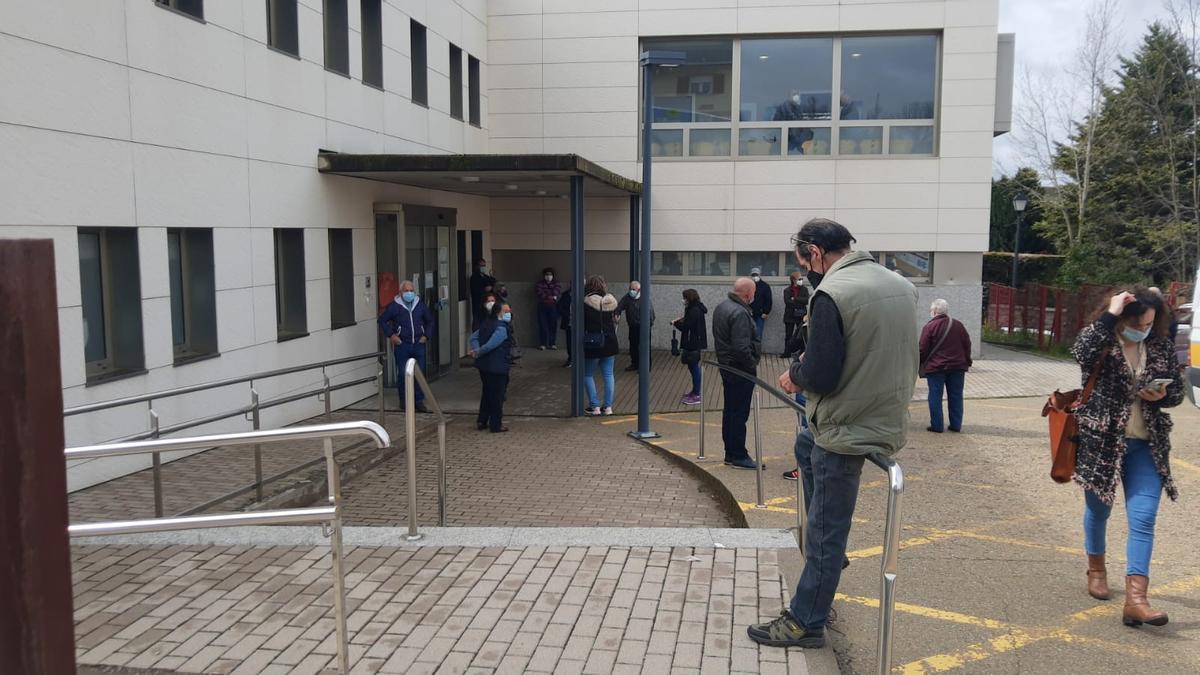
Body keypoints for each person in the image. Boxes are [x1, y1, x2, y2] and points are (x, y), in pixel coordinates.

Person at [748, 218, 918, 649]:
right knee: (804, 441)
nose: (805, 270)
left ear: (816, 254)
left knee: (825, 529)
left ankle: (806, 622)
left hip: (847, 426)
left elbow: (821, 376)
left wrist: (794, 375)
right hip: (884, 412)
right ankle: (830, 559)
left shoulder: (831, 293)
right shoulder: (898, 283)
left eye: (803, 262)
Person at [1071, 289, 1183, 627]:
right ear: (1121, 318)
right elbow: (1080, 352)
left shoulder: (1160, 345)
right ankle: (1097, 570)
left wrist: (1162, 394)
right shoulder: (1102, 340)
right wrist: (1110, 314)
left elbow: (1176, 392)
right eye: (1137, 324)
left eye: (1150, 323)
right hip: (1102, 443)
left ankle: (1136, 599)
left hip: (1146, 445)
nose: (1144, 329)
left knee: (1144, 517)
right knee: (1098, 511)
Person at [712, 277, 763, 469]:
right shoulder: (740, 313)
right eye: (754, 293)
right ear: (748, 294)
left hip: (727, 367)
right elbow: (741, 348)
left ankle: (731, 453)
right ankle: (738, 455)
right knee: (739, 414)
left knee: (731, 412)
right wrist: (752, 365)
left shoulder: (723, 306)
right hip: (739, 370)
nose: (754, 296)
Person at [377, 280, 436, 413]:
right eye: (406, 291)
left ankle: (419, 400)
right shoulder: (394, 306)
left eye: (411, 290)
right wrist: (392, 335)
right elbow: (382, 320)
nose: (409, 293)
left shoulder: (419, 305)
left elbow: (430, 321)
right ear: (401, 292)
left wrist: (426, 336)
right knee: (403, 373)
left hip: (418, 344)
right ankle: (404, 400)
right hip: (402, 344)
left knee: (419, 373)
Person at [919, 299, 973, 433]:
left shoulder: (930, 327)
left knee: (935, 396)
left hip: (936, 367)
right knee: (956, 396)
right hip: (957, 367)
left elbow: (922, 348)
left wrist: (919, 363)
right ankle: (955, 425)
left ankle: (937, 426)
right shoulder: (958, 325)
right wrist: (967, 361)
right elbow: (967, 345)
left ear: (934, 311)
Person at [469, 301, 515, 433]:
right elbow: (491, 345)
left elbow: (473, 338)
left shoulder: (486, 323)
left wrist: (477, 350)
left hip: (484, 366)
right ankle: (496, 424)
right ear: (498, 312)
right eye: (506, 311)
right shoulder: (501, 328)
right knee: (497, 396)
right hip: (497, 366)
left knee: (487, 393)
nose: (509, 314)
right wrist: (479, 351)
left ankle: (482, 420)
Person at [582, 276, 619, 416]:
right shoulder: (611, 301)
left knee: (587, 374)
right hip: (610, 342)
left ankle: (594, 406)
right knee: (608, 374)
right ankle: (608, 407)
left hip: (594, 342)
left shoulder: (586, 302)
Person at [672, 289, 708, 405]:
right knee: (692, 367)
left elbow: (686, 327)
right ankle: (694, 391)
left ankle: (697, 394)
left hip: (693, 343)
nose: (683, 300)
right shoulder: (696, 308)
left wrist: (676, 323)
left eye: (685, 298)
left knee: (694, 367)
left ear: (689, 298)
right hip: (694, 341)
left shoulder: (694, 310)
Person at [616, 281, 655, 372]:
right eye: (630, 289)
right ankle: (635, 364)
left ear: (639, 290)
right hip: (633, 326)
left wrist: (649, 325)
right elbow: (619, 306)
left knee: (644, 347)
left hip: (644, 327)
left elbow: (651, 314)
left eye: (633, 289)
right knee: (633, 347)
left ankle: (646, 366)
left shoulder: (645, 299)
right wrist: (617, 314)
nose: (631, 291)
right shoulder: (627, 297)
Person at [781, 271, 809, 357]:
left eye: (801, 278)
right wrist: (798, 302)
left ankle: (802, 352)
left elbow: (806, 300)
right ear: (793, 280)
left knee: (802, 334)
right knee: (788, 335)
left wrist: (795, 298)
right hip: (790, 315)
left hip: (801, 315)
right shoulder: (787, 290)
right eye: (799, 279)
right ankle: (787, 352)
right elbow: (788, 302)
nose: (801, 280)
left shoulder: (804, 289)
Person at [535, 267, 562, 351]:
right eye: (546, 274)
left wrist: (547, 295)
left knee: (553, 325)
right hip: (542, 306)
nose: (548, 276)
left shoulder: (556, 283)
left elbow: (556, 293)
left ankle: (552, 343)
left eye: (550, 275)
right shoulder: (540, 283)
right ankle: (543, 344)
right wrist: (550, 296)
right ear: (544, 276)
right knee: (542, 325)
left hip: (553, 306)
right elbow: (540, 294)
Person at [469, 258, 497, 328]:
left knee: (486, 323)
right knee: (478, 323)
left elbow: (494, 282)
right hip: (478, 304)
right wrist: (484, 289)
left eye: (484, 265)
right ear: (477, 266)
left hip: (487, 304)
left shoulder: (485, 277)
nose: (483, 267)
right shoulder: (474, 277)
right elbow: (475, 291)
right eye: (481, 266)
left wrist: (492, 277)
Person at [750, 268, 773, 339]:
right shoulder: (748, 285)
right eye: (753, 275)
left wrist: (766, 312)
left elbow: (768, 300)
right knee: (749, 334)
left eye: (756, 275)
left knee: (758, 334)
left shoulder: (765, 286)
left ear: (760, 275)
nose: (755, 277)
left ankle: (757, 350)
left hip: (760, 314)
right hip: (749, 314)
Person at [557, 286, 573, 367]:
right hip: (569, 322)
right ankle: (571, 359)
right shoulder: (566, 295)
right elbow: (560, 307)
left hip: (582, 323)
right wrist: (566, 315)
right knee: (570, 341)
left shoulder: (587, 294)